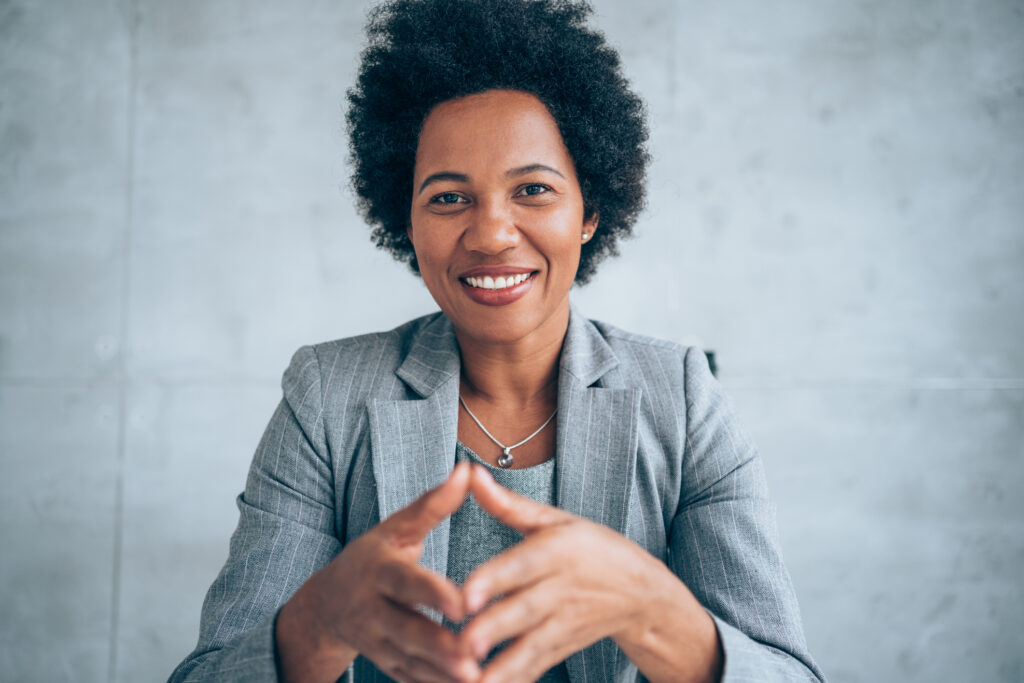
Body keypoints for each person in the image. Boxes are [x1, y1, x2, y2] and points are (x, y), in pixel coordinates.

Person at [170, 1, 826, 681]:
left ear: (590, 211)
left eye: (533, 190)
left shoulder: (683, 400)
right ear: (408, 221)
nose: (491, 234)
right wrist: (317, 619)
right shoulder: (326, 398)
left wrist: (652, 608)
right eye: (449, 198)